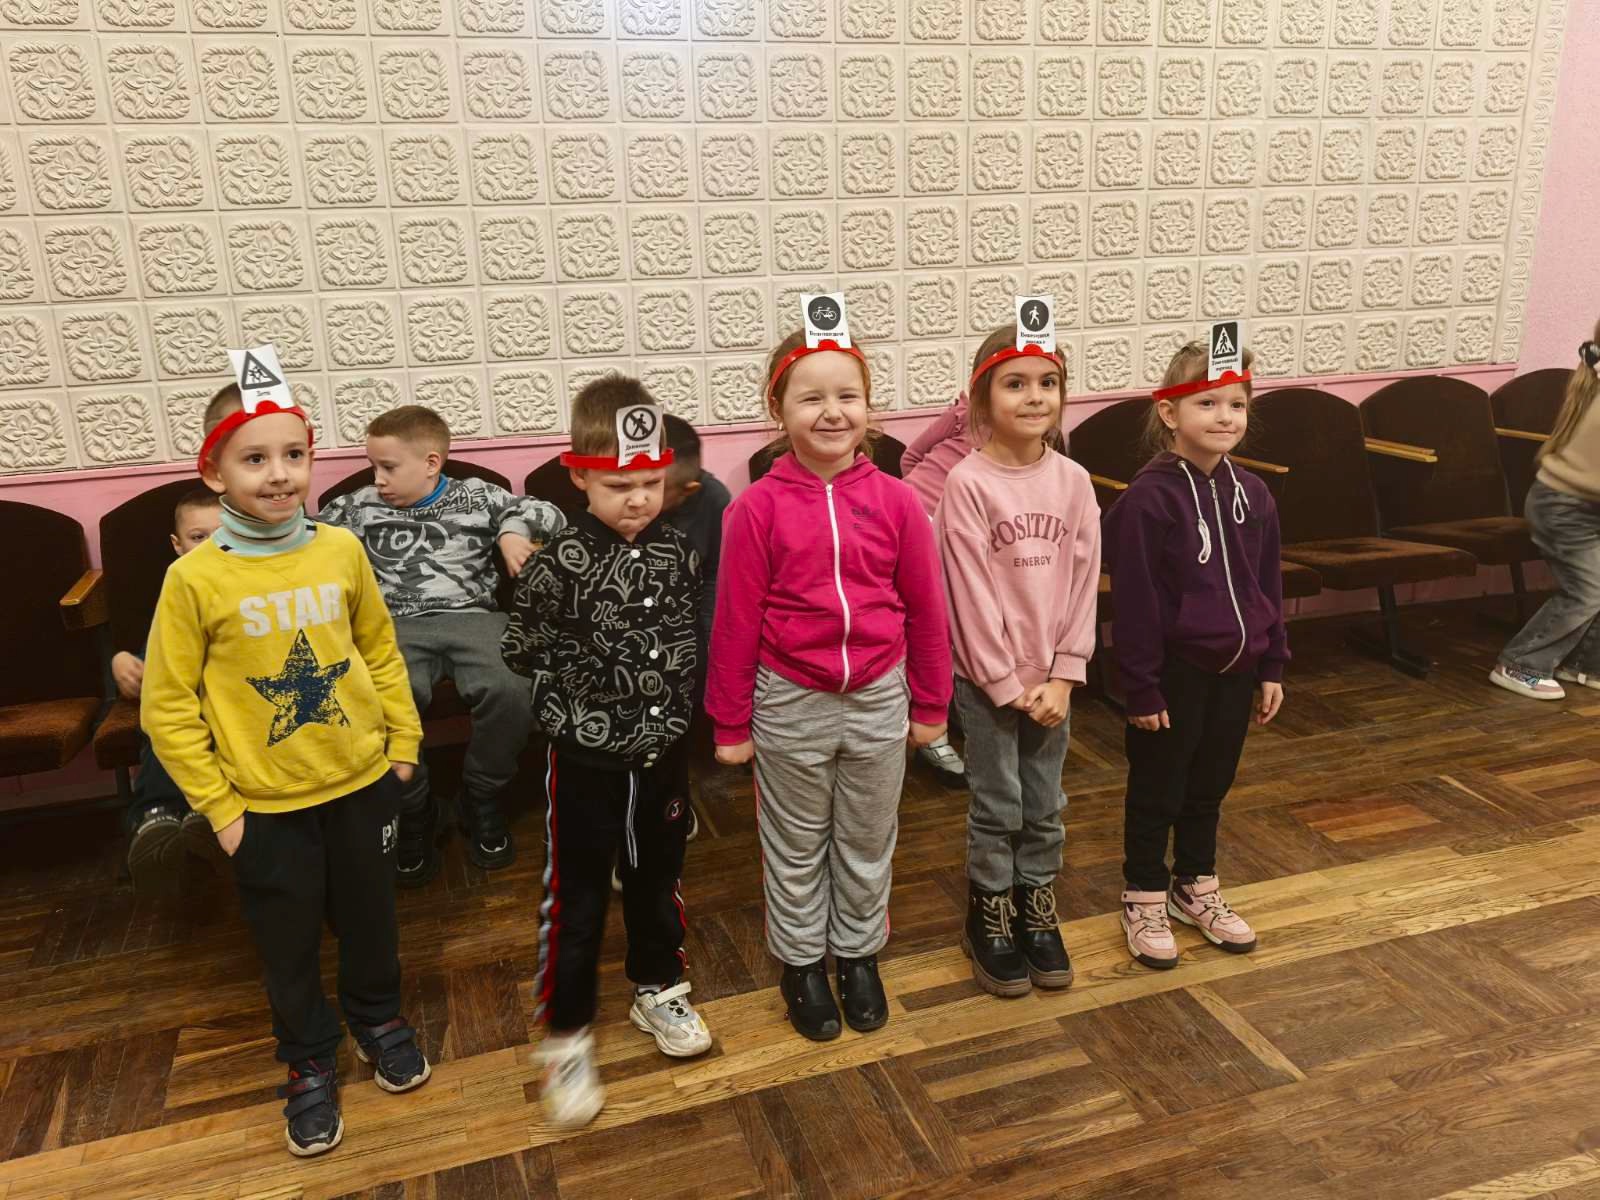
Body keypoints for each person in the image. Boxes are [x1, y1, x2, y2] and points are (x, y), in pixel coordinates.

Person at [141, 381, 430, 1157]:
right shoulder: (193, 579)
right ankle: (308, 1056)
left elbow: (379, 650)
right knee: (288, 941)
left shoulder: (340, 550)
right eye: (255, 458)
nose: (279, 474)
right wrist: (222, 810)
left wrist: (403, 748)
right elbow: (167, 707)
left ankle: (378, 1017)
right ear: (214, 471)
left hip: (362, 784)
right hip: (263, 807)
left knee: (371, 919)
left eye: (294, 454)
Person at [706, 327, 952, 1042]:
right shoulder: (753, 509)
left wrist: (931, 703)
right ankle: (802, 962)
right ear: (777, 409)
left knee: (868, 838)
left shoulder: (899, 502)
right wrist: (730, 722)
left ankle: (858, 954)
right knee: (795, 844)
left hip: (879, 696)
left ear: (870, 408)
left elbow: (927, 610)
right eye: (810, 398)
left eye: (848, 395)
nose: (832, 412)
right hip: (790, 701)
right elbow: (735, 622)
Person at [503, 378, 713, 1131]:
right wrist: (587, 686)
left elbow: (686, 634)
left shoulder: (678, 552)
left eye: (651, 483)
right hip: (586, 763)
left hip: (663, 755)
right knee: (580, 897)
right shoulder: (555, 564)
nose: (638, 499)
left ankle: (658, 985)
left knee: (658, 875)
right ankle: (566, 1035)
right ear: (581, 477)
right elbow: (522, 648)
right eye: (620, 486)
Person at [318, 405, 564, 882]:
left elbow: (547, 512)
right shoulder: (359, 506)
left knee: (513, 688)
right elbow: (307, 538)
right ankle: (415, 807)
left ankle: (481, 794)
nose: (377, 478)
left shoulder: (477, 495)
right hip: (394, 626)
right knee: (375, 700)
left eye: (388, 467)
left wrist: (512, 531)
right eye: (373, 466)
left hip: (473, 618)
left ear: (431, 462)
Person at [1102, 340, 1288, 970]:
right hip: (1172, 675)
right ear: (1169, 412)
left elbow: (1268, 584)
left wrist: (1272, 662)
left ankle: (1195, 886)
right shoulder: (1147, 500)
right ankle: (1144, 895)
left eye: (1237, 403)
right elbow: (1134, 603)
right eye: (1207, 403)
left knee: (1210, 785)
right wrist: (1140, 685)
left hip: (1237, 671)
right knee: (1158, 788)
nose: (1225, 416)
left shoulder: (1255, 494)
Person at [937, 325, 1100, 997]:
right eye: (1016, 384)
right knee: (997, 803)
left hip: (1053, 685)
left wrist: (1064, 675)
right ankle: (990, 911)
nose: (1035, 397)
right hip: (988, 685)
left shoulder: (1074, 481)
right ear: (982, 398)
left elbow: (1084, 582)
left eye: (1048, 383)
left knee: (1045, 802)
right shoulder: (967, 484)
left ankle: (1036, 903)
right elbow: (967, 596)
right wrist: (1004, 682)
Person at [119, 488, 222, 896]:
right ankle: (155, 820)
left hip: (227, 694)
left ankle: (203, 817)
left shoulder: (245, 582)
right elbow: (158, 651)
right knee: (163, 721)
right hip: (179, 693)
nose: (210, 546)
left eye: (221, 534)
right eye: (198, 537)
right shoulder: (176, 588)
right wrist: (123, 661)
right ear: (177, 545)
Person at [1490, 329, 1600, 700]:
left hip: (1580, 504)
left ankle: (1582, 664)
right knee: (1586, 591)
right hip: (1564, 508)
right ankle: (1520, 664)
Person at [896, 396, 977, 787]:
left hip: (966, 531)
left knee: (967, 624)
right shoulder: (963, 413)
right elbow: (910, 457)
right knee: (931, 625)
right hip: (920, 518)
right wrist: (926, 505)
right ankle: (932, 734)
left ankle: (953, 713)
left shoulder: (1034, 438)